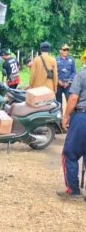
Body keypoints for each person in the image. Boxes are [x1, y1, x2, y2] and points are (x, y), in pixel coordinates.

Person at [57, 50, 86, 199]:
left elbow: (73, 98)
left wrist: (66, 116)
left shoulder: (81, 75)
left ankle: (74, 190)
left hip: (82, 117)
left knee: (69, 153)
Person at [56, 44, 76, 110]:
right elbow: (54, 72)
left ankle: (70, 118)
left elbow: (74, 72)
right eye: (64, 50)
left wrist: (69, 81)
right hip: (58, 84)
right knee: (58, 102)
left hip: (68, 85)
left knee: (70, 101)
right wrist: (58, 80)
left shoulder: (71, 60)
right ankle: (59, 117)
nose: (66, 51)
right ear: (60, 51)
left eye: (67, 50)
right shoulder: (56, 59)